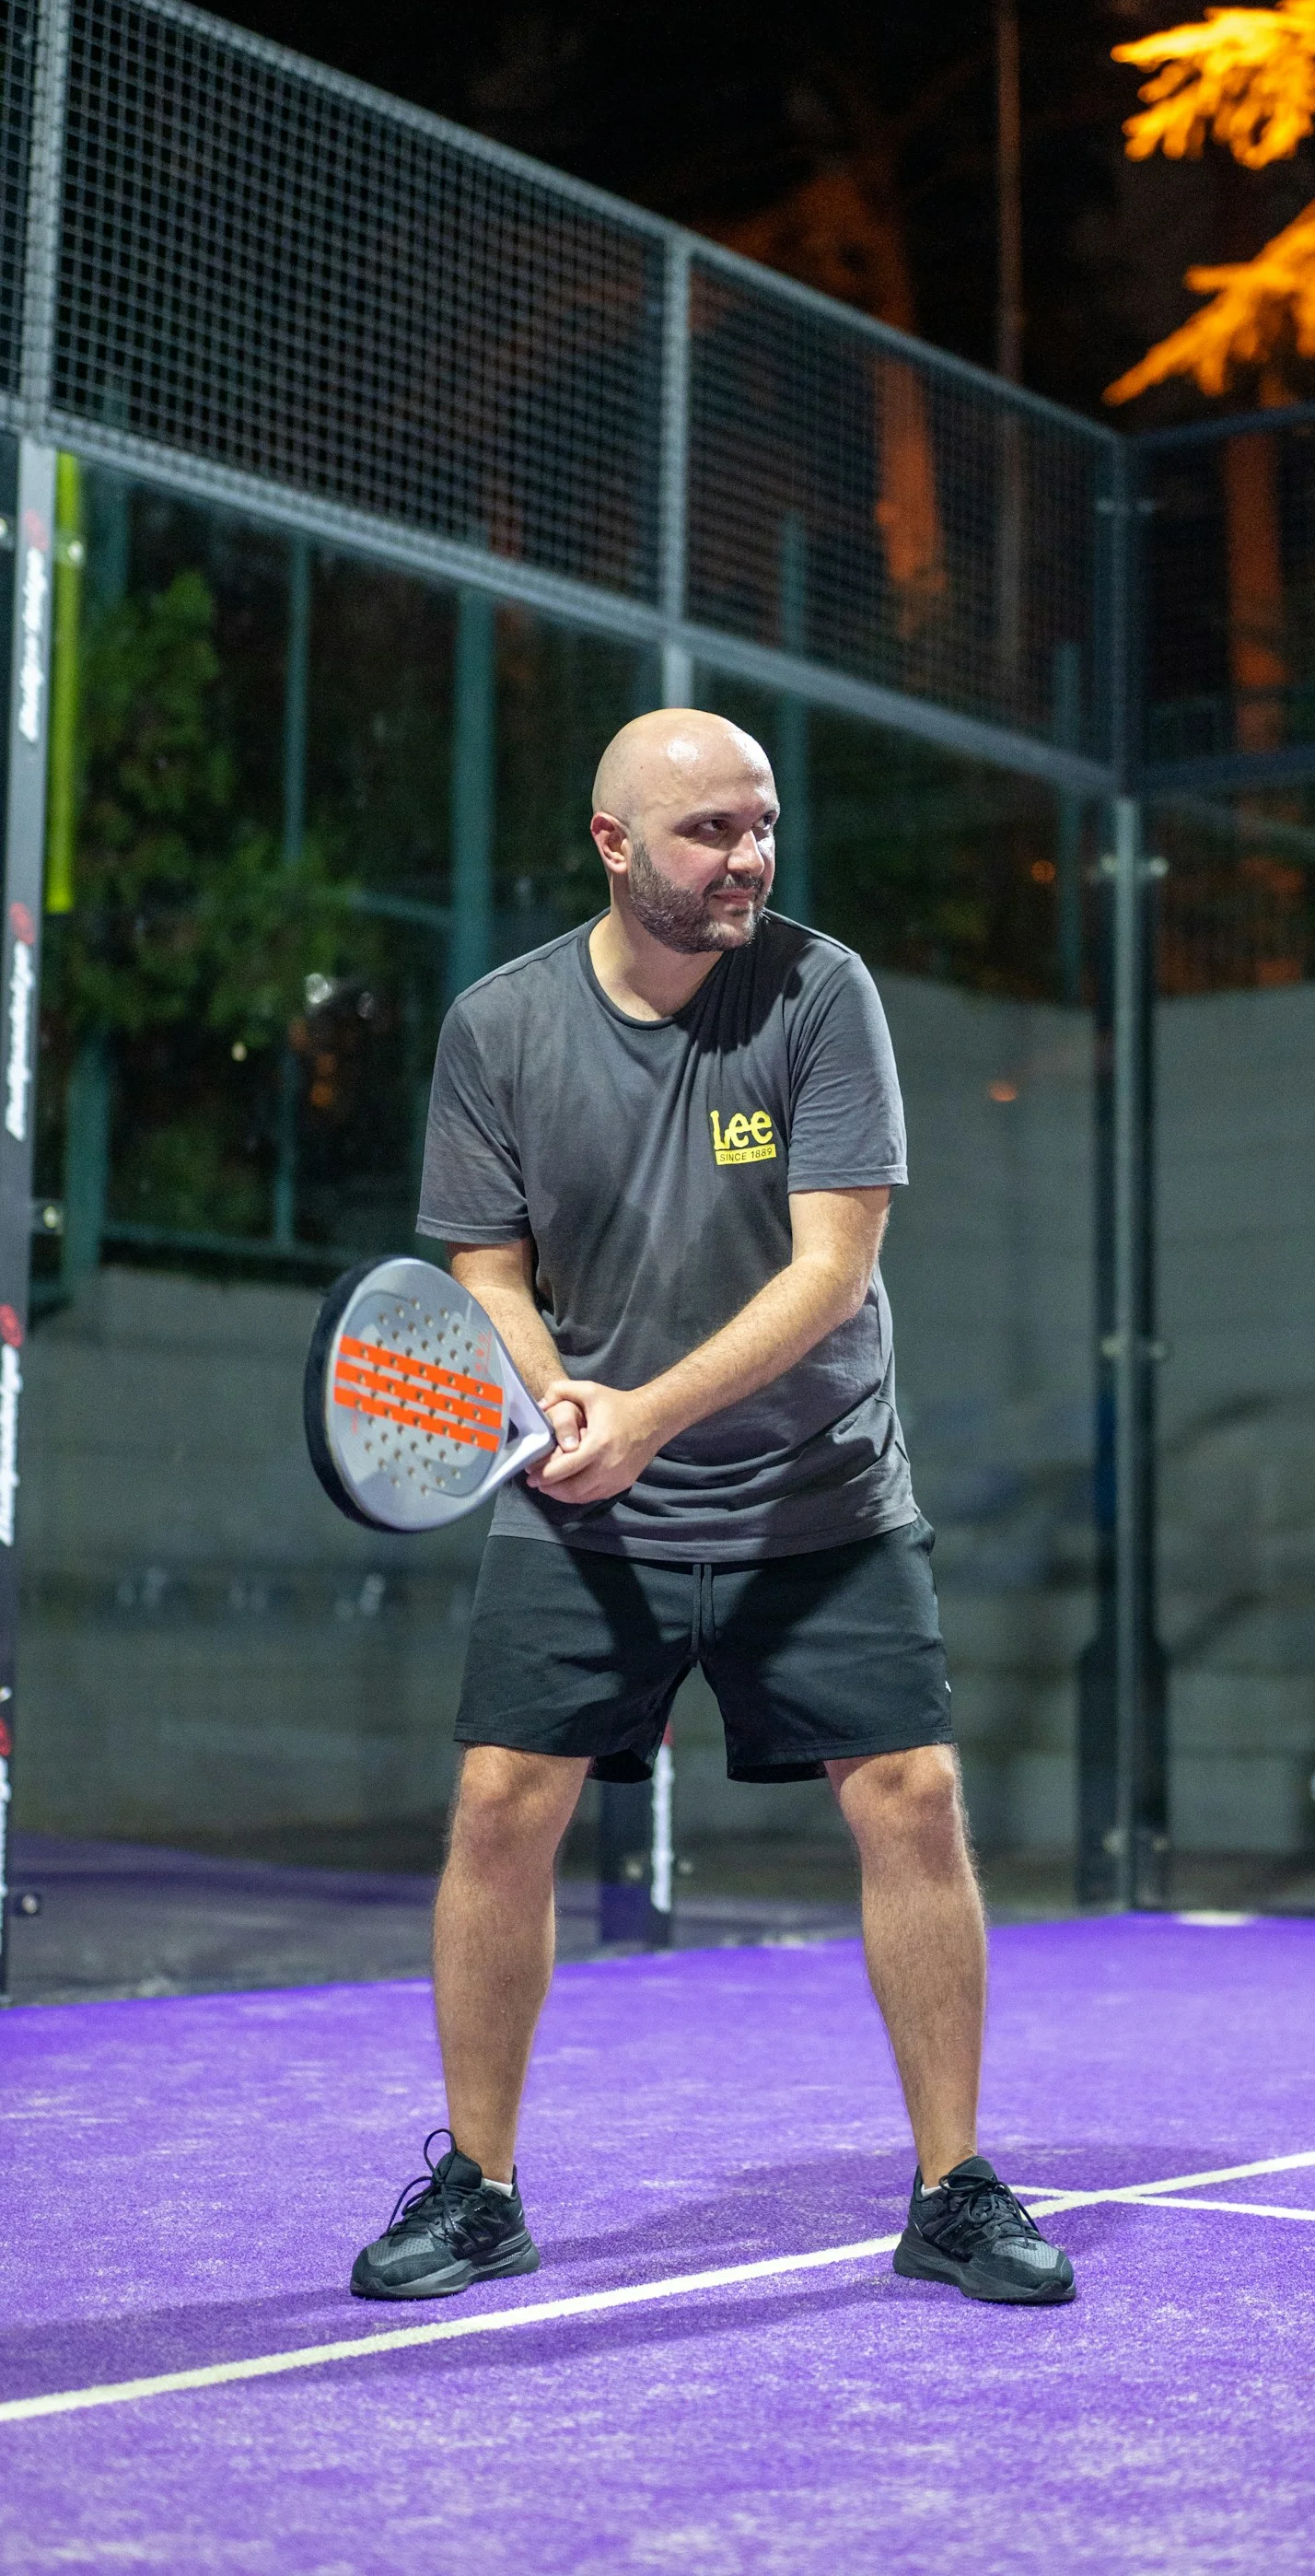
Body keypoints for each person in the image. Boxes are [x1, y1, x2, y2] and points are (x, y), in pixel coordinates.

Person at [349, 708, 1074, 2310]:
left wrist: (647, 1416)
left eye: (764, 825)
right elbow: (487, 1269)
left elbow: (833, 1271)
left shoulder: (821, 992)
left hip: (818, 1493)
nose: (751, 857)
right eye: (712, 832)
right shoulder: (499, 1026)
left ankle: (953, 2190)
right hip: (584, 1504)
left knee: (911, 1796)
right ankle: (479, 2189)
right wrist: (561, 1404)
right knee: (499, 1803)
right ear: (613, 844)